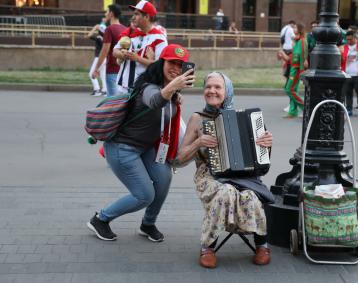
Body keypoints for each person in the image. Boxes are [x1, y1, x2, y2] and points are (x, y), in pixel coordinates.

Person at [87, 44, 195, 242]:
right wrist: (173, 88)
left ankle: (148, 224)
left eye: (181, 65)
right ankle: (100, 219)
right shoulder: (149, 87)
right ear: (162, 62)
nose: (176, 69)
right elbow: (154, 101)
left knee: (163, 179)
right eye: (172, 63)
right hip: (122, 148)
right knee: (144, 195)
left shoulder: (169, 90)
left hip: (145, 147)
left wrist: (175, 93)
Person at [177, 72, 273, 268]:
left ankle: (262, 245)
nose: (212, 91)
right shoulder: (197, 118)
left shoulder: (243, 118)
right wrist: (197, 142)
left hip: (242, 176)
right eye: (208, 87)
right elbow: (179, 159)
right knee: (226, 192)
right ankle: (208, 247)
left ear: (227, 91)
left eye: (218, 87)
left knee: (251, 196)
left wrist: (266, 145)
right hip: (208, 176)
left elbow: (261, 164)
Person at [113, 1, 168, 94]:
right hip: (121, 87)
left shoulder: (159, 38)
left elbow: (160, 66)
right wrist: (123, 54)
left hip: (143, 90)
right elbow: (114, 51)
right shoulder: (130, 32)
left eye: (137, 14)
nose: (133, 17)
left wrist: (137, 58)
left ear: (147, 17)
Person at [91, 4, 126, 97]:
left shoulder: (109, 29)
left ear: (111, 14)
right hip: (123, 70)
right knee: (121, 100)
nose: (105, 14)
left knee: (112, 102)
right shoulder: (125, 29)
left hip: (112, 70)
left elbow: (104, 51)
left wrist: (96, 69)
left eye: (107, 12)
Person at [281, 23, 308, 118]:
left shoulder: (302, 41)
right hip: (293, 68)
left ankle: (306, 108)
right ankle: (293, 111)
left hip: (296, 69)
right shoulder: (296, 41)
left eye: (295, 27)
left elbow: (303, 56)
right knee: (293, 90)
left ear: (300, 29)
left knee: (289, 89)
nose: (293, 29)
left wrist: (302, 70)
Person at [87, 19, 107, 96]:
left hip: (98, 58)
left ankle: (97, 90)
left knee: (91, 74)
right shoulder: (105, 37)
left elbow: (89, 35)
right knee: (103, 75)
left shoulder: (99, 37)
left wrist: (95, 28)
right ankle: (105, 90)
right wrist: (103, 22)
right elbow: (103, 27)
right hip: (105, 58)